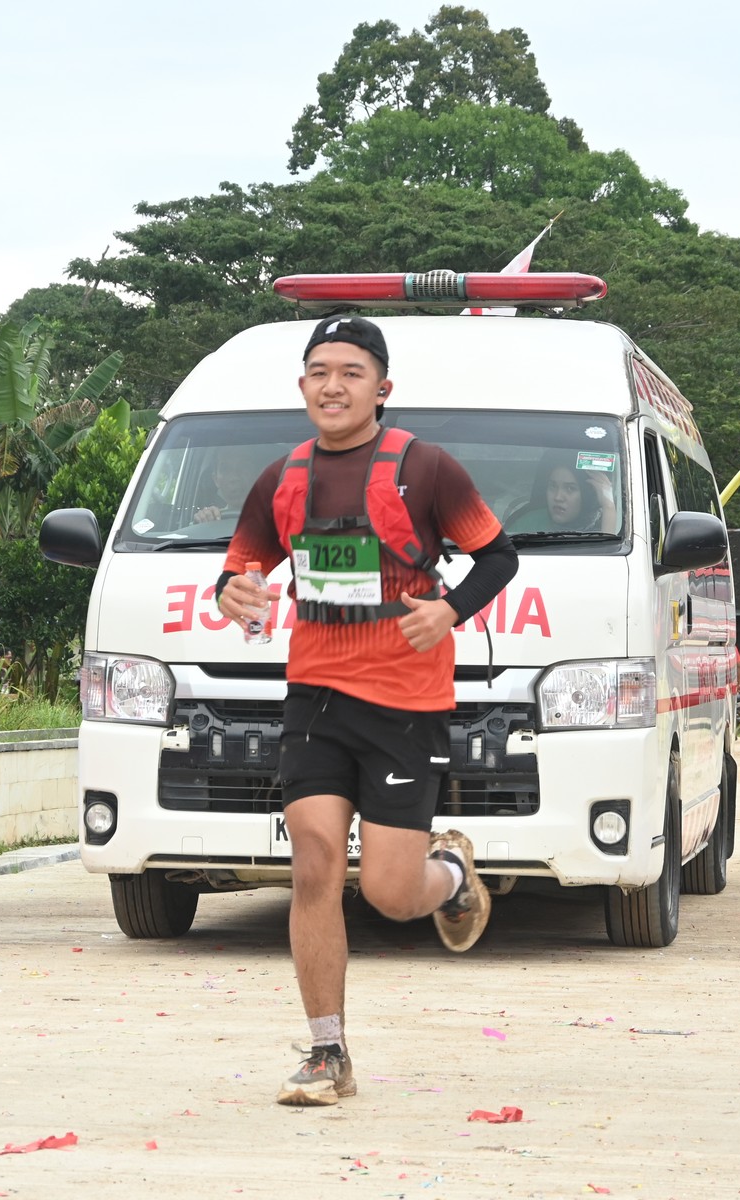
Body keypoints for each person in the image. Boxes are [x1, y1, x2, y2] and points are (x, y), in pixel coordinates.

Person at [214, 315, 520, 1107]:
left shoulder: (425, 467)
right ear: (302, 386)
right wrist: (233, 590)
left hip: (405, 701)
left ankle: (451, 875)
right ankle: (327, 1053)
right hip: (316, 695)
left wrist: (449, 611)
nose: (334, 386)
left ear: (382, 389)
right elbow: (241, 564)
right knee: (314, 861)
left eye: (351, 373)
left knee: (389, 892)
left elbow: (498, 556)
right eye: (320, 372)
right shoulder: (282, 478)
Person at [504, 454, 617, 534]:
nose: (558, 497)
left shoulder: (608, 524)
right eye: (553, 486)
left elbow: (610, 554)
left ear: (587, 495)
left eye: (570, 488)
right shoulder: (528, 523)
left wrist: (609, 507)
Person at [192, 448, 264, 523]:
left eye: (244, 466)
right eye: (225, 469)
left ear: (257, 475)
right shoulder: (212, 520)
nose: (234, 477)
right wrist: (204, 519)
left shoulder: (271, 516)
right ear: (215, 479)